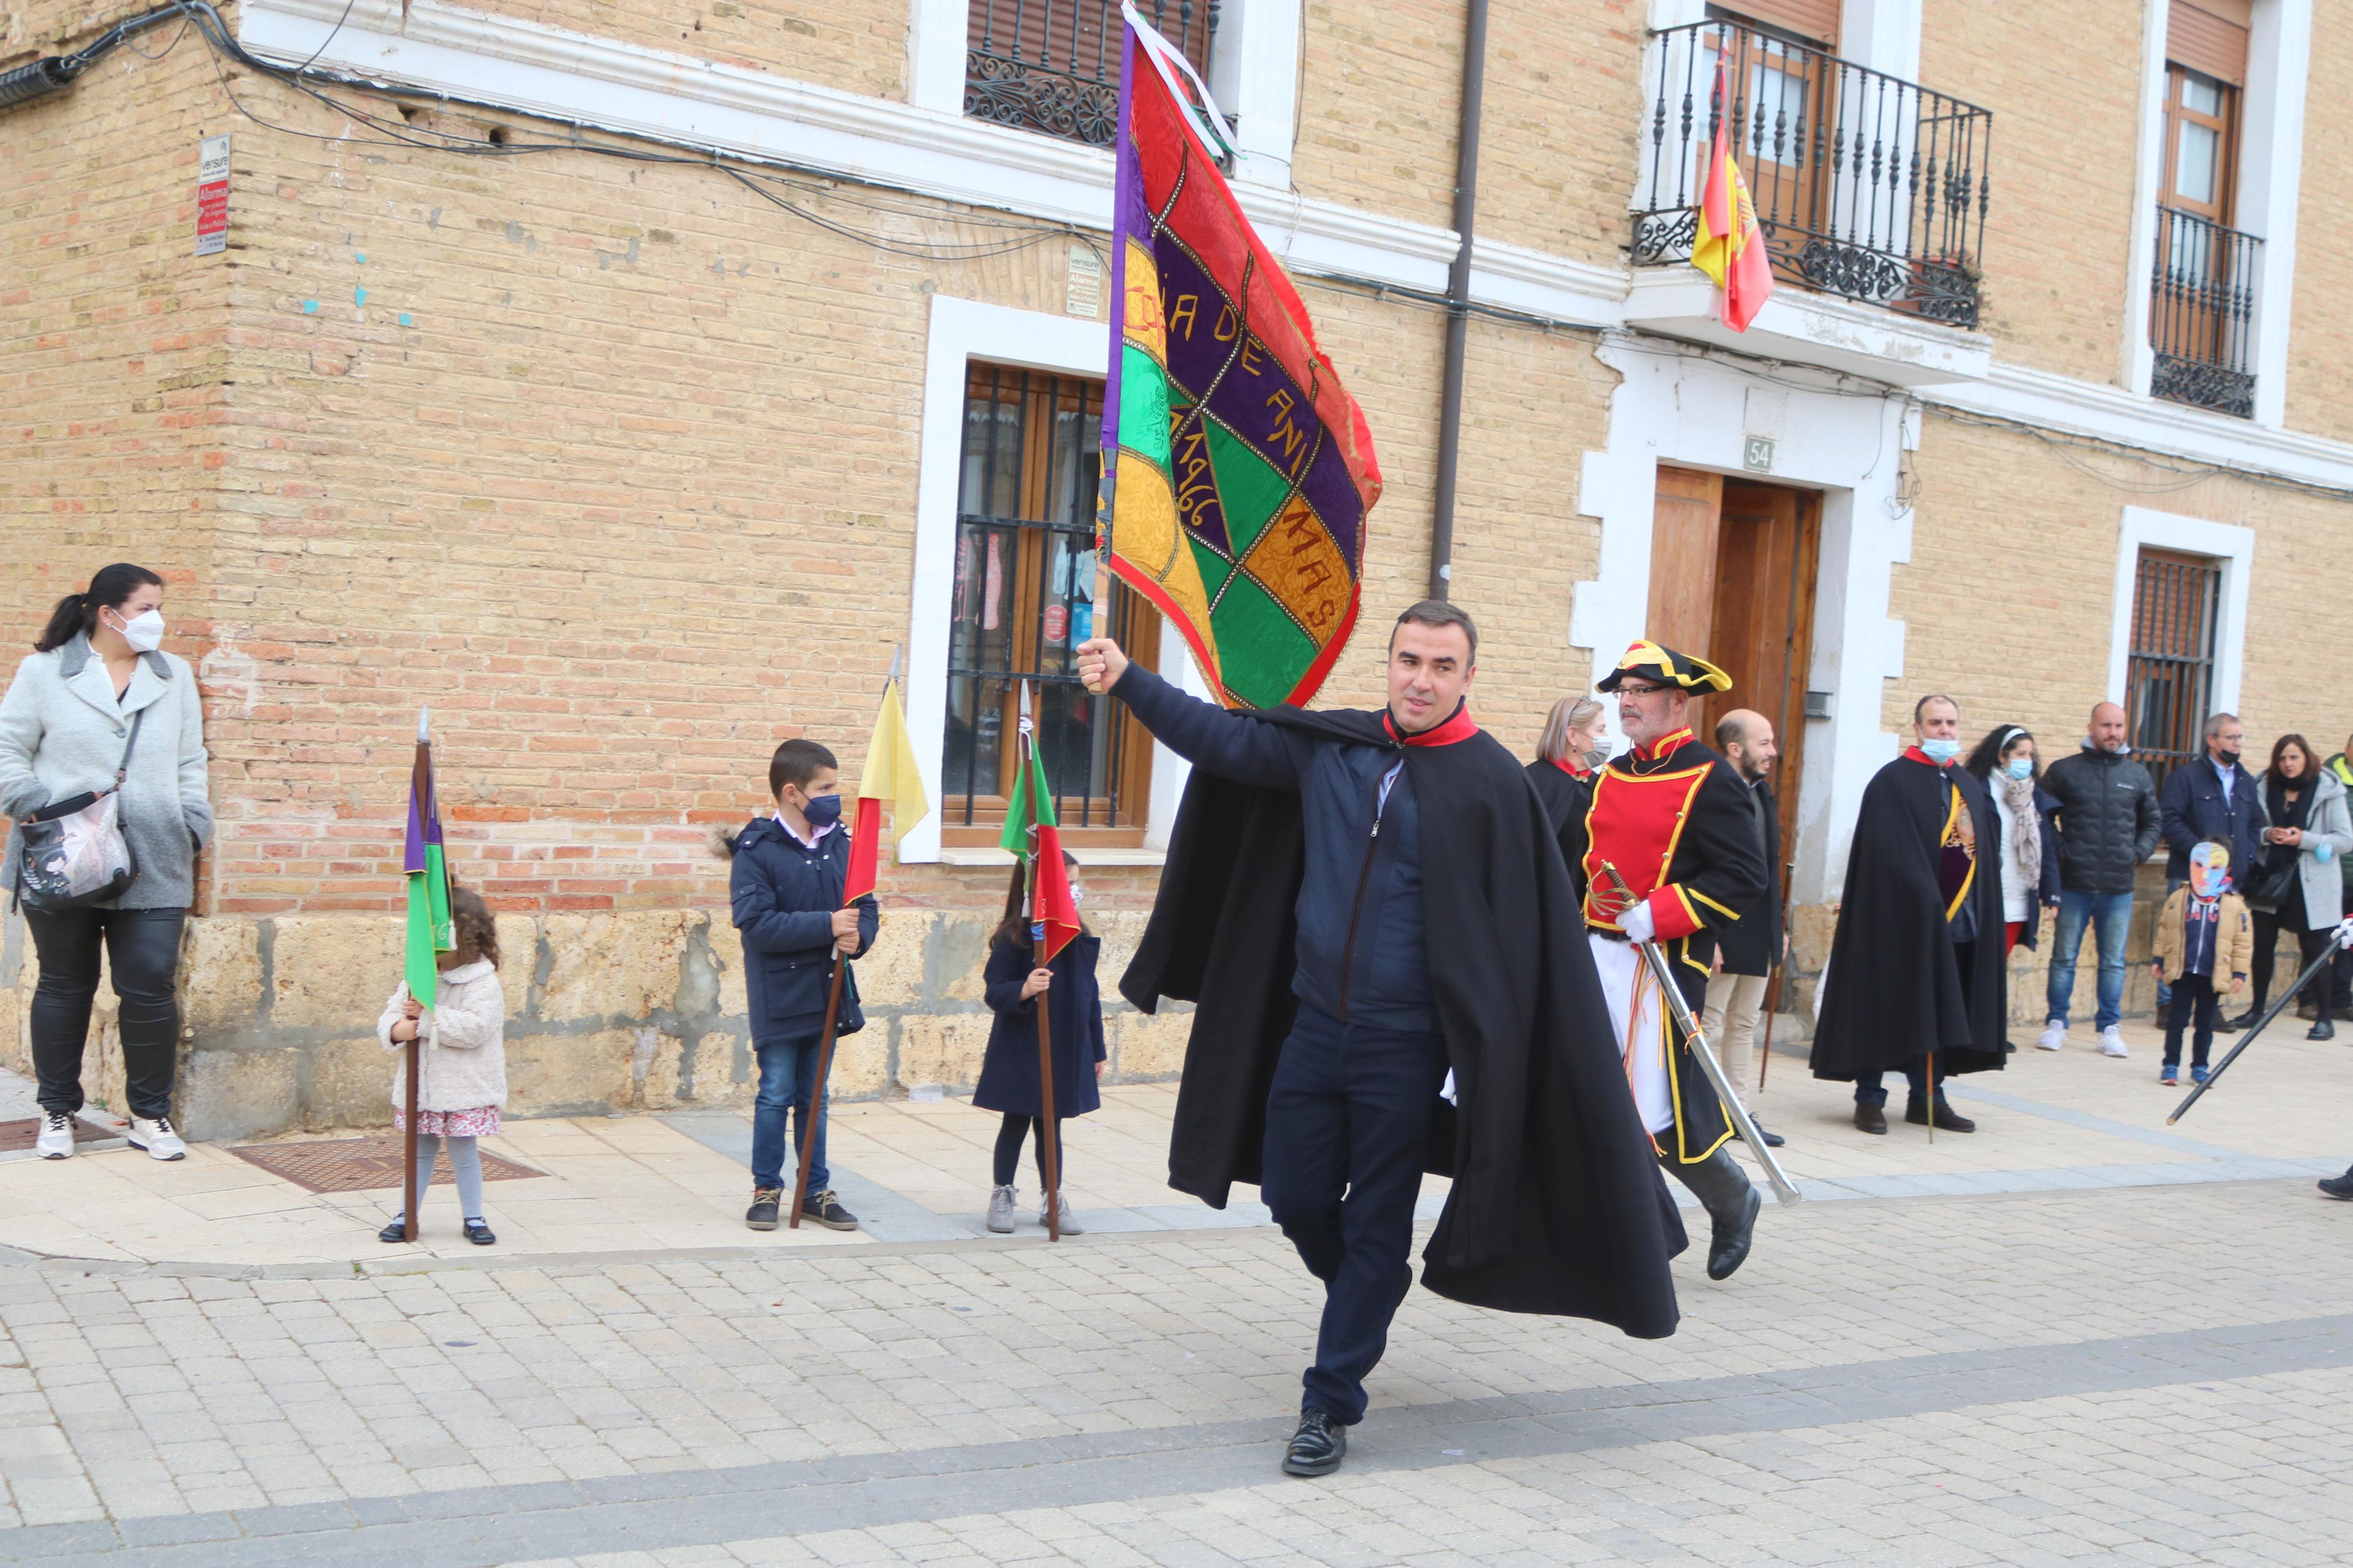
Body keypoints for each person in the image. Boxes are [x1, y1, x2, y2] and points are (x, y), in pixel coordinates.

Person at [1080, 603, 1681, 1480]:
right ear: (1389, 662)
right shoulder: (1336, 747)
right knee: (1292, 1191)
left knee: (1375, 1220)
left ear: (1467, 676)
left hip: (1407, 1044)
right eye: (1408, 659)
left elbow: (1526, 928)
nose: (1421, 679)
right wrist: (1132, 680)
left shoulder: (1488, 781)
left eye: (1442, 665)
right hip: (1313, 1024)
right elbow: (1222, 741)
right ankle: (1368, 1289)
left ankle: (1329, 1397)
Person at [0, 563, 212, 1162]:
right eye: (146, 607)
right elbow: (8, 748)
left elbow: (191, 759)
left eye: (158, 607)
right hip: (62, 853)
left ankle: (150, 1115)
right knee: (66, 984)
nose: (156, 619)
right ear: (106, 612)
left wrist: (193, 821)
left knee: (149, 985)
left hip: (155, 854)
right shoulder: (44, 672)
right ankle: (58, 1112)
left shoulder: (174, 676)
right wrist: (37, 805)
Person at [1582, 645, 1769, 1276]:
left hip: (1661, 962)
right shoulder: (1609, 774)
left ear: (1676, 702)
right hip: (1593, 954)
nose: (1627, 701)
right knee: (1593, 1098)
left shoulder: (1709, 777)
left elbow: (1744, 875)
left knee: (1656, 1113)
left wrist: (1661, 911)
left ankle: (1731, 1197)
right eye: (1622, 691)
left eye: (1639, 690)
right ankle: (1621, 1236)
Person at [1809, 694, 2008, 1134]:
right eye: (1935, 722)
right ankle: (1869, 1098)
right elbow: (1884, 853)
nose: (1944, 730)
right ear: (1917, 729)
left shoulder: (1967, 784)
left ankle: (1928, 1097)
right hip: (1898, 924)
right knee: (1884, 1005)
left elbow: (1982, 855)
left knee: (1936, 1010)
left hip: (1958, 924)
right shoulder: (1892, 782)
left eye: (1950, 723)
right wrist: (1920, 895)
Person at [719, 738, 878, 1232]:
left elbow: (865, 906)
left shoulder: (841, 842)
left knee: (816, 1095)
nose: (834, 796)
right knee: (776, 1092)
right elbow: (758, 926)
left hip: (828, 990)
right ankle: (766, 1188)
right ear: (792, 792)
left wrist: (860, 937)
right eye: (825, 787)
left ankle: (815, 1190)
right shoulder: (757, 849)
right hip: (780, 994)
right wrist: (827, 925)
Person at [975, 851, 1105, 1235]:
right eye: (1066, 884)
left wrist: (1096, 1048)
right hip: (1022, 1048)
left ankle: (1053, 1196)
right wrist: (1025, 988)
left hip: (1065, 1046)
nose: (1074, 892)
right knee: (1015, 1121)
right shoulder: (1016, 936)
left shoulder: (1076, 936)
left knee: (1052, 1127)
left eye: (1075, 884)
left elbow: (1089, 996)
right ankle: (1002, 1192)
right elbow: (995, 991)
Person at [376, 885, 509, 1244]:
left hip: (463, 1087)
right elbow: (391, 1021)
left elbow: (475, 1029)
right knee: (419, 1152)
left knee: (464, 1152)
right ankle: (407, 1214)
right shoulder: (418, 978)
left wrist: (426, 1020)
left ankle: (474, 1217)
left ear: (463, 941)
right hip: (422, 1088)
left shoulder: (483, 983)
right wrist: (399, 1028)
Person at [2037, 701, 2160, 1058]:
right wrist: (2062, 851)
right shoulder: (2064, 771)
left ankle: (2109, 1029)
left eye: (2119, 726)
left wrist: (2138, 853)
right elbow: (2042, 817)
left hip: (2118, 886)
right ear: (2091, 727)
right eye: (2106, 725)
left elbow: (2153, 821)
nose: (2114, 733)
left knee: (2113, 962)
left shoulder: (2137, 776)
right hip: (2074, 882)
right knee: (2063, 958)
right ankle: (2056, 1023)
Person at [1698, 708, 1786, 1149]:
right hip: (1724, 930)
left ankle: (1739, 1113)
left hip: (1759, 930)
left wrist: (1779, 927)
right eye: (1763, 742)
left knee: (1745, 1023)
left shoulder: (1763, 793)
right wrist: (1708, 934)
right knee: (1709, 1023)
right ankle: (1703, 1114)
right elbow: (1706, 867)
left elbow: (1767, 868)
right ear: (1735, 749)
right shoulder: (1714, 792)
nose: (1773, 751)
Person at [2242, 734, 2351, 1041]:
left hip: (2311, 883)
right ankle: (2256, 1010)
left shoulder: (2328, 789)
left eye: (2294, 757)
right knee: (2262, 946)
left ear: (2307, 758)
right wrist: (2268, 834)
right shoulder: (2263, 786)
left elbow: (2345, 839)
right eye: (2282, 758)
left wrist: (2304, 839)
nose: (2288, 764)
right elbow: (2251, 829)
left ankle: (2324, 1018)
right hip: (2270, 879)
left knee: (2315, 950)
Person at [2158, 713, 2262, 1030]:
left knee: (2220, 940)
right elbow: (2170, 819)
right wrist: (2204, 857)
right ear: (2212, 740)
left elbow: (2255, 822)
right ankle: (2169, 1004)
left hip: (2228, 881)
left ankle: (2210, 1006)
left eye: (2241, 738)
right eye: (2231, 738)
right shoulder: (2187, 777)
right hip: (2191, 877)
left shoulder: (2245, 780)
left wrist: (2243, 855)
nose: (2237, 744)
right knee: (2181, 937)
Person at [2148, 843, 2249, 1089]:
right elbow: (2165, 930)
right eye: (2199, 865)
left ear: (2226, 869)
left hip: (2213, 973)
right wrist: (2159, 959)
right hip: (2184, 970)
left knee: (2205, 1023)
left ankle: (2200, 1067)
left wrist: (2239, 973)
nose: (2206, 873)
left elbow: (2243, 941)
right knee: (2177, 1021)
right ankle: (2170, 1065)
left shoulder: (2234, 904)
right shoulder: (2179, 898)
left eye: (2215, 867)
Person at [1961, 726, 2060, 957]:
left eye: (2030, 755)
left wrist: (2051, 893)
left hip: (2020, 899)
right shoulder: (1980, 790)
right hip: (1985, 897)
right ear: (2001, 755)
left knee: (1997, 965)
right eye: (2020, 754)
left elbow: (2045, 847)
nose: (2027, 761)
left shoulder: (2034, 797)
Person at [1527, 694, 1607, 897]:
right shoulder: (1533, 782)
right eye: (1600, 730)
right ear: (1573, 736)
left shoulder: (1603, 786)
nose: (1607, 736)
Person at [2323, 735, 2353, 1023]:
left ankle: (2341, 999)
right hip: (2335, 873)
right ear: (2347, 750)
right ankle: (2310, 997)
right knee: (2322, 937)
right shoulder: (2330, 781)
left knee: (2351, 944)